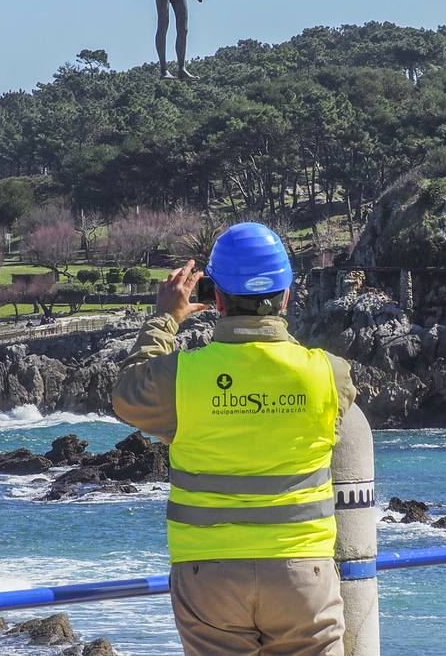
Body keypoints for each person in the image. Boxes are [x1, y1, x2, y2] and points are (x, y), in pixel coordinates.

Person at [113, 222, 356, 655]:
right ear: (285, 296)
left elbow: (129, 393)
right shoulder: (328, 373)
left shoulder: (182, 378)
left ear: (215, 298)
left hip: (209, 574)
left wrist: (165, 317)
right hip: (305, 573)